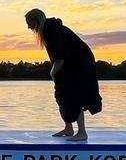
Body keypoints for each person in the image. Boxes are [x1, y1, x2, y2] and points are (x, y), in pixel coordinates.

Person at [24, 8, 102, 141]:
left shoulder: (52, 31)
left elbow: (60, 56)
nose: (28, 26)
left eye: (29, 22)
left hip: (80, 63)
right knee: (61, 92)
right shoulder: (47, 29)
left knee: (74, 95)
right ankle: (68, 128)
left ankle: (82, 132)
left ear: (36, 20)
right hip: (70, 62)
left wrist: (53, 72)